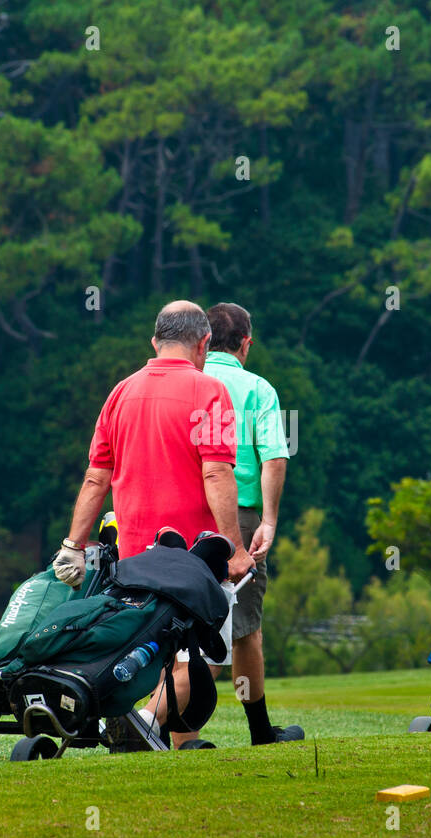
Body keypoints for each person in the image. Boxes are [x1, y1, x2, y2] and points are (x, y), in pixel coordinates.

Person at [52, 300, 254, 739]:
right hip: (191, 559)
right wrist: (235, 548)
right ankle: (136, 724)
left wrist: (72, 545)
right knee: (194, 660)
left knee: (147, 649)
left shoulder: (120, 392)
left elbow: (95, 477)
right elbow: (217, 471)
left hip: (132, 558)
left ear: (154, 342)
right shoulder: (210, 391)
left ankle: (170, 738)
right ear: (204, 344)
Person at [175, 301, 301, 746]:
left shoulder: (187, 382)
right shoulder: (258, 388)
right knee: (239, 628)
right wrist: (268, 520)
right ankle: (180, 733)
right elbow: (275, 458)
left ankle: (193, 734)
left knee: (184, 625)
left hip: (184, 516)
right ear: (246, 343)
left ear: (205, 339)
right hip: (239, 519)